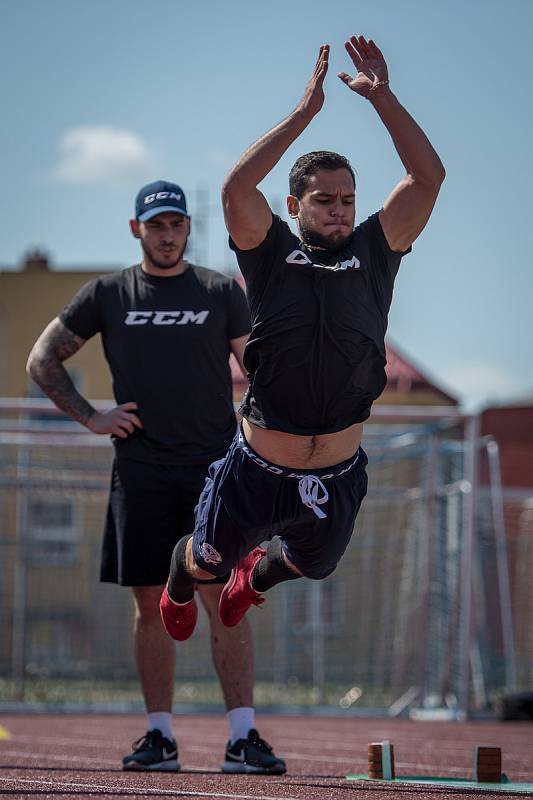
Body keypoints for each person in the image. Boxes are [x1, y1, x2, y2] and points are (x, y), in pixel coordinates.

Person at [161, 36, 444, 644]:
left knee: (315, 565)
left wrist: (383, 100)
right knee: (204, 561)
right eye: (324, 201)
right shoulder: (270, 252)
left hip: (337, 469)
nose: (340, 211)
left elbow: (428, 178)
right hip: (257, 468)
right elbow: (237, 189)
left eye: (348, 200)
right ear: (294, 205)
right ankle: (180, 580)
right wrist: (304, 114)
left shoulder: (376, 250)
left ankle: (256, 578)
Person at [26, 180, 286, 775]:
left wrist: (260, 430)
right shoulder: (109, 293)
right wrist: (92, 416)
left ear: (189, 229)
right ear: (136, 229)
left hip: (216, 473)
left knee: (228, 599)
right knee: (150, 601)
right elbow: (41, 359)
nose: (166, 235)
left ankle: (243, 738)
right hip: (140, 471)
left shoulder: (222, 292)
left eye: (176, 225)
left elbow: (262, 370)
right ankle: (158, 738)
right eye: (155, 225)